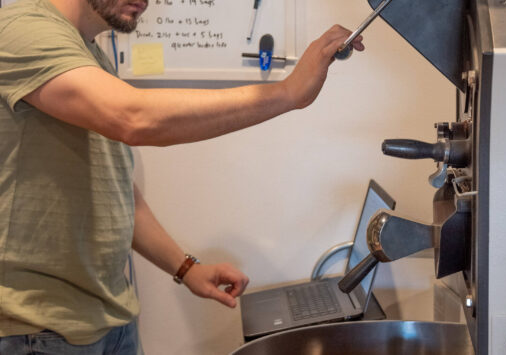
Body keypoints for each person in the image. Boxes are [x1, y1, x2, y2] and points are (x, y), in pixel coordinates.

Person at [0, 0, 364, 353]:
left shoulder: (89, 55)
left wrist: (186, 268)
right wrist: (288, 92)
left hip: (108, 319)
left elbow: (115, 188)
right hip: (39, 329)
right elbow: (135, 119)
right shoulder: (24, 29)